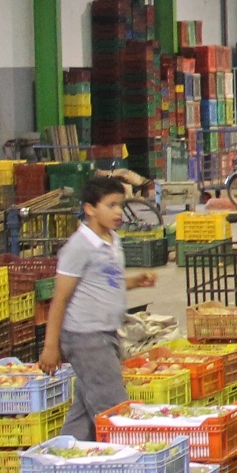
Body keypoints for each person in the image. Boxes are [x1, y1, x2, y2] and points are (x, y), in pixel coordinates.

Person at [40, 176, 161, 439]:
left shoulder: (112, 240)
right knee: (113, 409)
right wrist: (51, 347)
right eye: (111, 205)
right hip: (86, 337)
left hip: (107, 333)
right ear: (90, 208)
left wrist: (133, 282)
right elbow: (59, 299)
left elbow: (103, 282)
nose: (119, 212)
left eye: (120, 205)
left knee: (84, 410)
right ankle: (126, 465)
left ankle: (64, 462)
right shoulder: (79, 247)